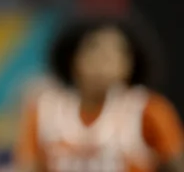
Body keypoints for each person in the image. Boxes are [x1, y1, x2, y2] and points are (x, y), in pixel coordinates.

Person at [16, 15, 184, 172]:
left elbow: (177, 164)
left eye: (116, 52)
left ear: (131, 63)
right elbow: (28, 167)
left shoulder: (148, 110)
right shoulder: (45, 111)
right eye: (95, 49)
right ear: (73, 56)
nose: (104, 59)